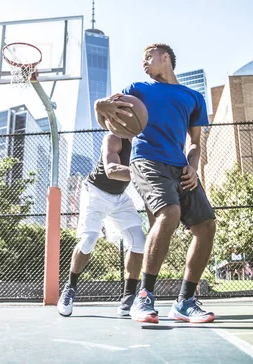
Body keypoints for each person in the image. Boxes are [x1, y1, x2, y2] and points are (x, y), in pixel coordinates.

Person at [94, 43, 216, 324]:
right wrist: (100, 105)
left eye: (148, 57)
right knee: (169, 214)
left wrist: (193, 166)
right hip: (146, 160)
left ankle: (185, 301)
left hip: (180, 166)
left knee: (206, 225)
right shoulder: (137, 88)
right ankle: (144, 296)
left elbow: (196, 142)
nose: (144, 63)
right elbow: (107, 113)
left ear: (166, 58)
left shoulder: (193, 97)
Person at [57, 133, 146, 317]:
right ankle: (70, 288)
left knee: (139, 241)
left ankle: (128, 297)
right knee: (89, 239)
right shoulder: (113, 138)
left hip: (120, 198)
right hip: (95, 192)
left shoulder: (144, 142)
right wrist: (147, 172)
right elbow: (111, 169)